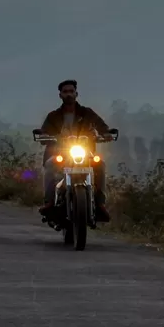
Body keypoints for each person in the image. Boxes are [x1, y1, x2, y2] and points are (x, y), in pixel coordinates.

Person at [37, 80, 114, 222]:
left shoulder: (87, 113)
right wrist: (44, 136)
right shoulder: (53, 116)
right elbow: (44, 132)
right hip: (59, 152)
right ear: (60, 95)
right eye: (65, 92)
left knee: (100, 164)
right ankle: (49, 202)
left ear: (76, 94)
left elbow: (101, 125)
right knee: (49, 165)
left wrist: (107, 133)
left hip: (85, 153)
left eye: (71, 91)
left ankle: (100, 203)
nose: (69, 94)